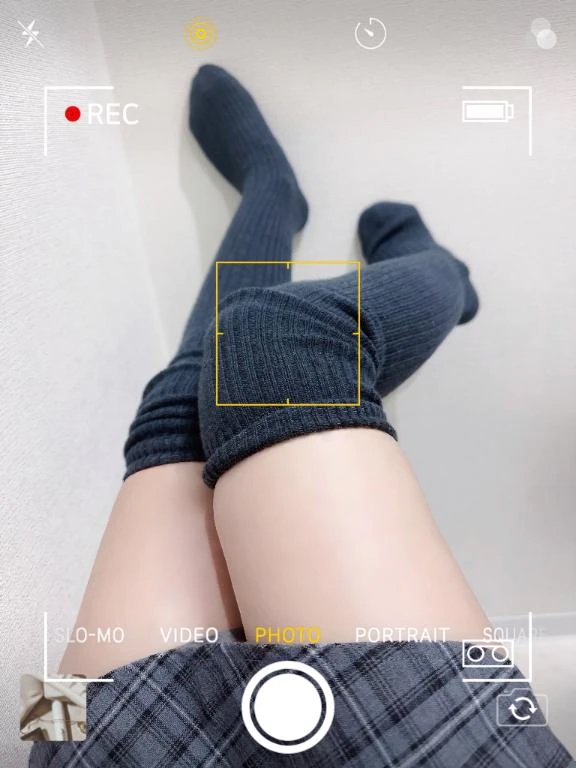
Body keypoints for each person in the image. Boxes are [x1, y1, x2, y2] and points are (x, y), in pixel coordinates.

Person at [29, 65, 574, 767]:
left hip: (87, 743)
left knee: (175, 408)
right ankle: (439, 269)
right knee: (274, 342)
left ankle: (272, 195)